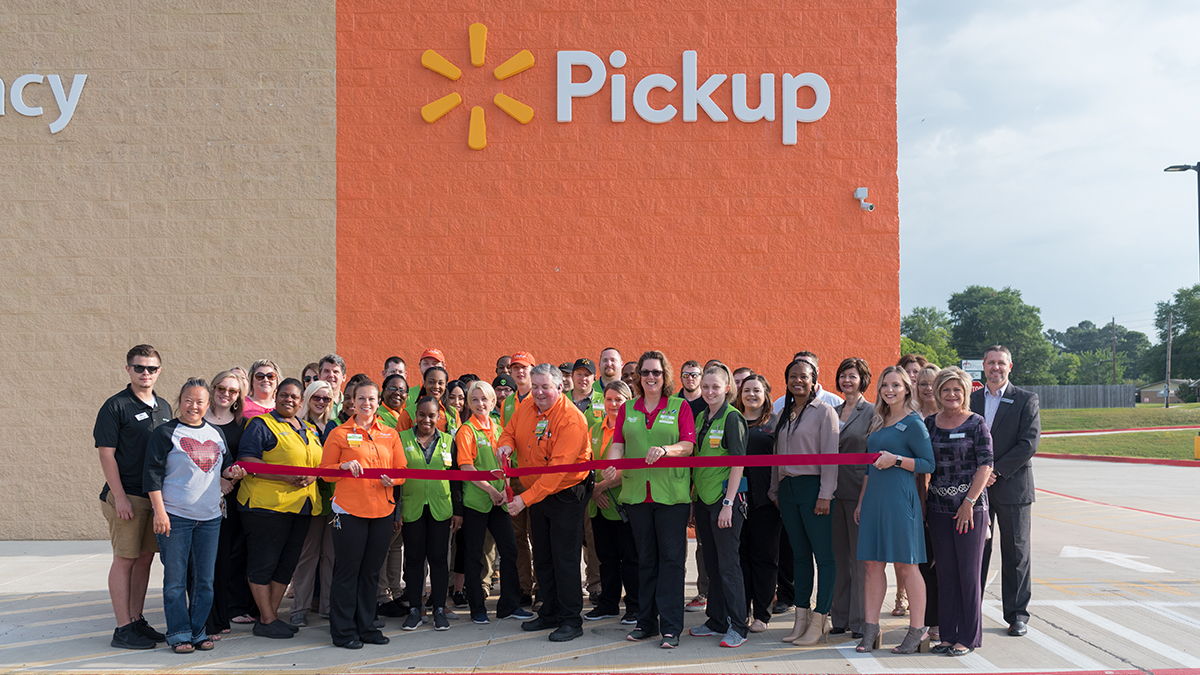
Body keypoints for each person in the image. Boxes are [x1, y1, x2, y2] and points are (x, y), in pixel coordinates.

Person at [602, 350, 696, 650]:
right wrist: (611, 462)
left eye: (656, 372)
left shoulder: (680, 406)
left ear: (665, 376)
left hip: (671, 496)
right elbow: (618, 443)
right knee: (646, 561)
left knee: (670, 562)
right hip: (636, 495)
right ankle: (646, 622)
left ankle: (670, 627)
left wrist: (666, 450)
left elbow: (689, 444)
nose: (650, 377)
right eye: (645, 373)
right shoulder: (629, 408)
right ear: (638, 377)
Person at [145, 379, 247, 653]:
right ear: (180, 401)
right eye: (189, 400)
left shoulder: (214, 433)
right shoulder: (166, 433)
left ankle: (199, 630)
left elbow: (224, 468)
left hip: (211, 518)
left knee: (205, 579)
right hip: (175, 517)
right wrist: (160, 512)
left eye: (200, 401)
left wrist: (233, 472)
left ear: (207, 404)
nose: (194, 406)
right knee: (176, 580)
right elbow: (152, 476)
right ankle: (179, 634)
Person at [498, 363, 593, 642]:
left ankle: (570, 620)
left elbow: (556, 474)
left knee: (564, 558)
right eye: (535, 385)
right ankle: (549, 611)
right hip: (538, 494)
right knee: (543, 556)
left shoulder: (571, 419)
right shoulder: (527, 406)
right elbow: (509, 431)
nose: (539, 392)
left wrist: (523, 501)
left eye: (545, 387)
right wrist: (505, 444)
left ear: (559, 387)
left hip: (565, 494)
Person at [94, 344, 174, 649]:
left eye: (151, 368)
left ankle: (136, 619)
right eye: (139, 367)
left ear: (159, 371)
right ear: (128, 369)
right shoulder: (116, 406)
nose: (145, 373)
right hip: (126, 495)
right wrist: (120, 497)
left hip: (153, 497)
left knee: (144, 559)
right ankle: (123, 628)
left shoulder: (164, 407)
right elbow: (106, 455)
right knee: (125, 560)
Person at [854, 366, 934, 654]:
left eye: (896, 385)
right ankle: (871, 630)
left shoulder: (914, 423)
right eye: (885, 385)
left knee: (906, 565)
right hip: (874, 499)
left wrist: (897, 460)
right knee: (872, 565)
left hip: (900, 500)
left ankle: (918, 631)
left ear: (906, 389)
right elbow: (869, 465)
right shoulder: (879, 421)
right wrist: (863, 501)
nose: (889, 390)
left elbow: (928, 464)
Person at [236, 377, 323, 639]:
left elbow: (318, 463)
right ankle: (267, 618)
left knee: (286, 565)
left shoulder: (309, 429)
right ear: (275, 397)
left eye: (294, 396)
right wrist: (283, 476)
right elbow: (247, 460)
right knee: (264, 564)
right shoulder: (261, 424)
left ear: (301, 401)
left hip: (301, 507)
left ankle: (269, 617)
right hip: (266, 507)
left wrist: (314, 475)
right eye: (284, 394)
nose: (289, 399)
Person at [321, 379, 405, 649]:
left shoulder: (389, 434)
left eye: (371, 399)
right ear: (352, 402)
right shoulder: (339, 433)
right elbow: (324, 472)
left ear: (378, 402)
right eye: (361, 399)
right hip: (349, 511)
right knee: (347, 572)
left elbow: (402, 471)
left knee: (370, 573)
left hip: (381, 511)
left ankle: (367, 626)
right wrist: (342, 465)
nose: (366, 404)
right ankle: (343, 631)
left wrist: (394, 480)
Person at [969, 345, 1039, 638]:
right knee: (975, 553)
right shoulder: (970, 399)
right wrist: (979, 476)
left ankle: (1017, 615)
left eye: (1001, 363)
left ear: (1010, 367)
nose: (995, 368)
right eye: (991, 363)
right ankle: (971, 611)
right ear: (983, 366)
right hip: (975, 489)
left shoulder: (1025, 399)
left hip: (1012, 488)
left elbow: (1029, 443)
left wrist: (994, 472)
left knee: (1015, 554)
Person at [769, 358, 839, 646]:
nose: (798, 381)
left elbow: (830, 457)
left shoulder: (825, 412)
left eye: (804, 376)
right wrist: (775, 490)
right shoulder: (784, 412)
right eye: (792, 377)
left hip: (814, 489)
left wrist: (826, 493)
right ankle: (801, 618)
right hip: (788, 491)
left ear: (815, 379)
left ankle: (821, 618)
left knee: (823, 556)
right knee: (799, 556)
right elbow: (776, 456)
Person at [926, 367, 993, 656]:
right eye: (945, 389)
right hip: (938, 508)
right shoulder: (930, 423)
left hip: (970, 510)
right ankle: (947, 634)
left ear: (965, 393)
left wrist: (969, 503)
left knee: (968, 574)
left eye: (957, 389)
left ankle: (967, 638)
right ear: (938, 393)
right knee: (946, 574)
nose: (951, 394)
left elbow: (986, 464)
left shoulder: (976, 423)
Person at [455, 381, 535, 623]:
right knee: (474, 555)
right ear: (470, 403)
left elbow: (507, 464)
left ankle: (509, 605)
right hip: (477, 502)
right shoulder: (466, 431)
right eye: (476, 399)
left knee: (510, 551)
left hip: (499, 502)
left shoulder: (499, 429)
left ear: (493, 402)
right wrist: (490, 490)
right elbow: (466, 467)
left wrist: (505, 491)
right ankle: (477, 608)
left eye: (485, 399)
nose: (481, 404)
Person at [688, 364, 750, 648]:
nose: (709, 391)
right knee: (712, 565)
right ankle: (715, 619)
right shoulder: (701, 416)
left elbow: (738, 462)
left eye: (716, 386)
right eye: (706, 386)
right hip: (703, 500)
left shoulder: (733, 417)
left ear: (727, 388)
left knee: (728, 566)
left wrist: (728, 504)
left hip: (724, 502)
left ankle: (738, 625)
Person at [398, 396, 460, 632]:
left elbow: (456, 480)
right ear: (416, 415)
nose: (426, 419)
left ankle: (439, 609)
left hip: (441, 509)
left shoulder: (447, 441)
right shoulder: (402, 439)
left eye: (431, 415)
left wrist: (458, 511)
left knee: (438, 560)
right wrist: (397, 512)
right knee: (413, 560)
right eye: (422, 414)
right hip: (412, 508)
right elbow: (395, 478)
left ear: (438, 417)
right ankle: (415, 608)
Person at [203, 370, 253, 636]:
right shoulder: (198, 420)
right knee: (204, 562)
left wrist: (229, 481)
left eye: (233, 391)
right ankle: (205, 617)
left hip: (231, 502)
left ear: (239, 396)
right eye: (221, 388)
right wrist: (217, 484)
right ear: (212, 389)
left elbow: (243, 459)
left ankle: (222, 617)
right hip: (200, 501)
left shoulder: (243, 424)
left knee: (225, 559)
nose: (226, 394)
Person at [586, 380, 639, 625]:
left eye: (619, 399)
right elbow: (586, 462)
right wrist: (594, 492)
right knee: (605, 558)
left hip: (623, 503)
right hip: (599, 505)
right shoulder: (595, 429)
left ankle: (634, 607)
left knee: (629, 558)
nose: (614, 404)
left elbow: (629, 467)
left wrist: (599, 488)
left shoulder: (632, 429)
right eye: (609, 399)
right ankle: (608, 604)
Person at [288, 380, 338, 628]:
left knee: (330, 555)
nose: (321, 402)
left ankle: (328, 606)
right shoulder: (298, 425)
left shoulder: (334, 426)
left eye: (326, 399)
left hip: (332, 498)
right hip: (307, 497)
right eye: (316, 397)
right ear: (307, 398)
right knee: (308, 555)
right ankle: (299, 608)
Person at [830, 358, 873, 640]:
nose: (847, 381)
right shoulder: (831, 411)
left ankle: (859, 620)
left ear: (863, 380)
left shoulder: (871, 412)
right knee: (838, 558)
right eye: (843, 376)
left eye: (853, 376)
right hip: (832, 491)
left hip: (860, 491)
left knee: (859, 560)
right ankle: (839, 618)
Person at [734, 374, 779, 634]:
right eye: (747, 390)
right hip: (736, 499)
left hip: (766, 501)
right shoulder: (733, 420)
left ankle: (762, 614)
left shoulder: (776, 423)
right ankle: (743, 610)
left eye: (757, 390)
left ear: (766, 394)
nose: (751, 395)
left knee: (764, 559)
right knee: (740, 558)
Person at [499, 351, 537, 605]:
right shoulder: (507, 402)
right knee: (517, 537)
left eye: (524, 368)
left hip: (535, 478)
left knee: (539, 536)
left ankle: (544, 588)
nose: (519, 372)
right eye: (515, 368)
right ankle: (525, 587)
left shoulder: (543, 397)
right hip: (513, 476)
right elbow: (507, 434)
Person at [772, 351, 844, 413]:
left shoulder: (835, 403)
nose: (801, 370)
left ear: (817, 371)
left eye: (807, 366)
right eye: (797, 366)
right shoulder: (779, 405)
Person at [397, 366, 457, 433]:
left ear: (445, 386)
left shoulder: (453, 413)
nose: (436, 386)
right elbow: (398, 440)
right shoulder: (408, 413)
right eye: (431, 382)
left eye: (440, 383)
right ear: (424, 383)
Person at [571, 358, 605, 427]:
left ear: (594, 378)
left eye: (587, 375)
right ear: (572, 376)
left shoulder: (604, 400)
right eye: (579, 374)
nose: (583, 378)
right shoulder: (563, 400)